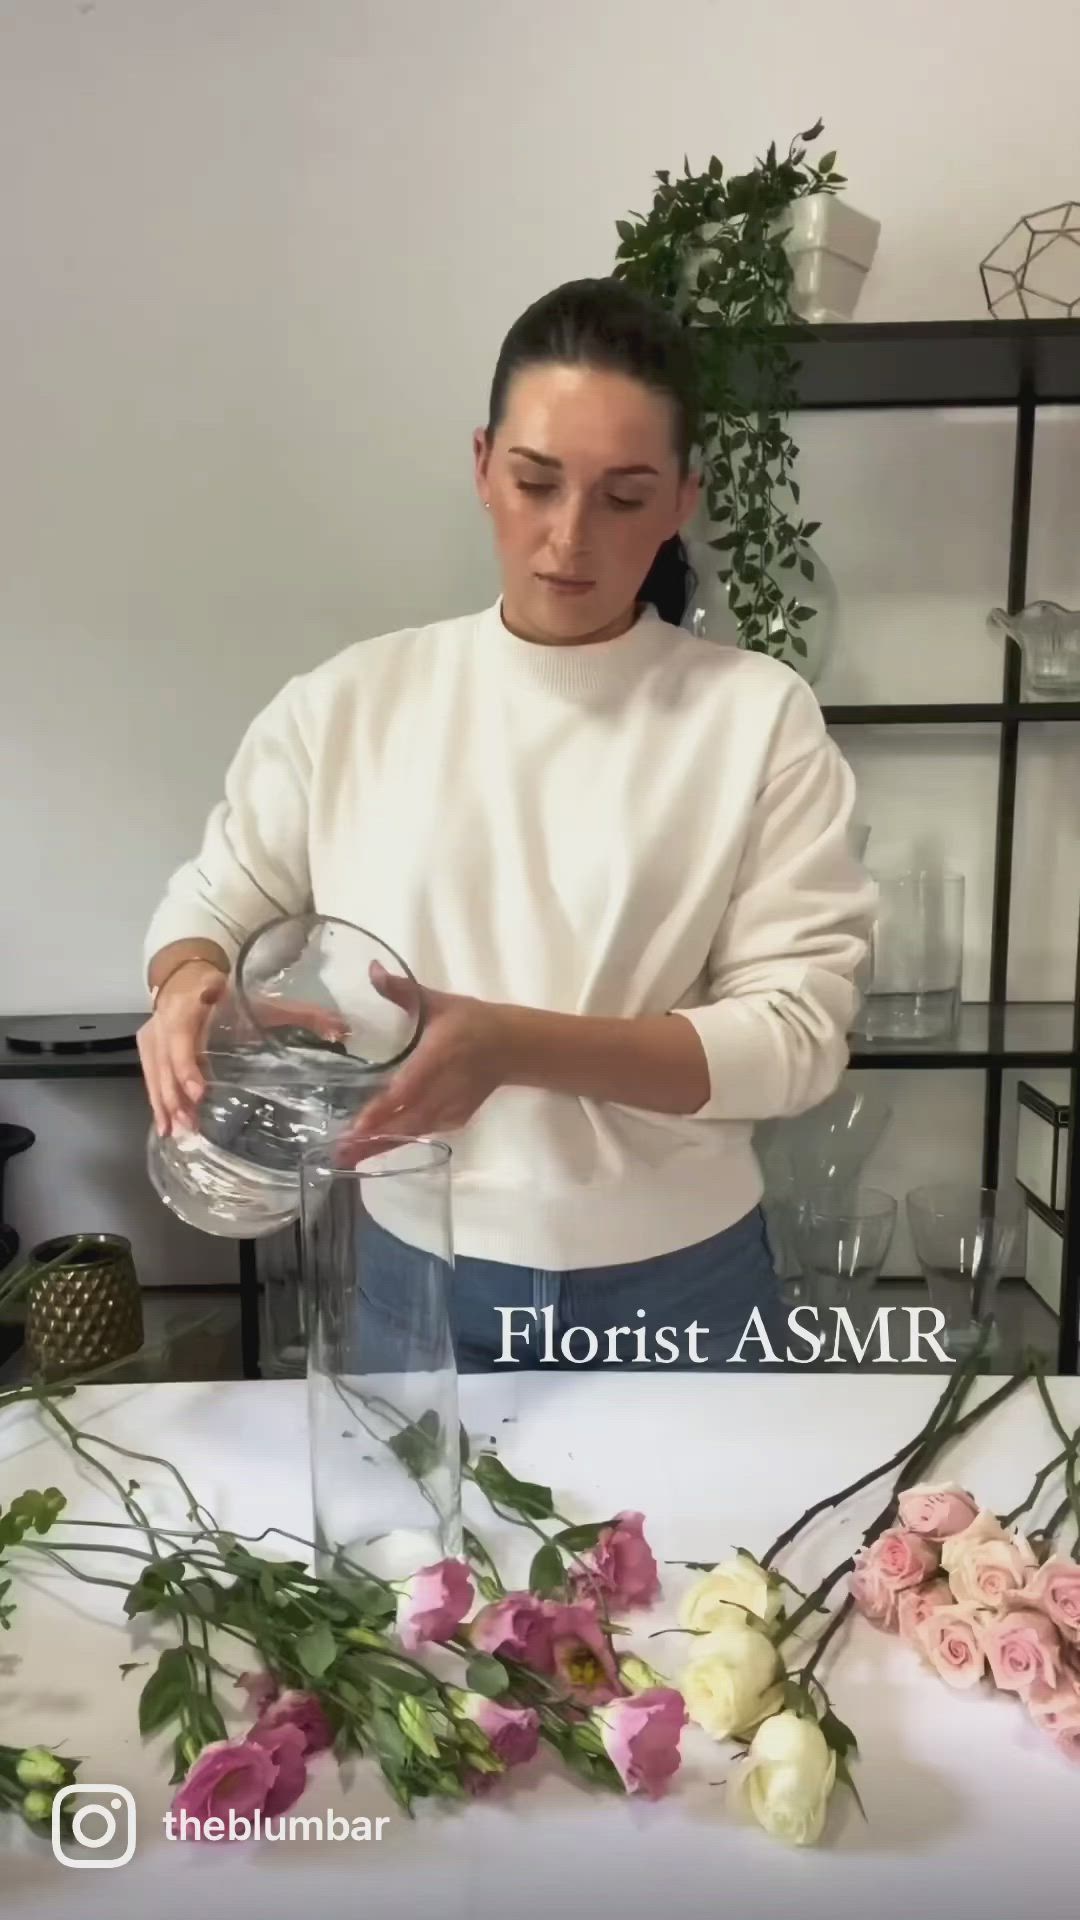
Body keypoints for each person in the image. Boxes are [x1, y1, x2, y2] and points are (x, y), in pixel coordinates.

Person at [139, 276, 875, 1371]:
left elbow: (797, 1041)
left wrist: (518, 1046)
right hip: (408, 1269)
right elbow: (209, 904)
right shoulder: (349, 703)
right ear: (484, 466)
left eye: (624, 498)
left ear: (684, 499)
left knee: (715, 1552)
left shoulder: (757, 717)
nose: (568, 539)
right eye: (537, 482)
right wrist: (185, 985)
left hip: (682, 1286)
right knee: (413, 1550)